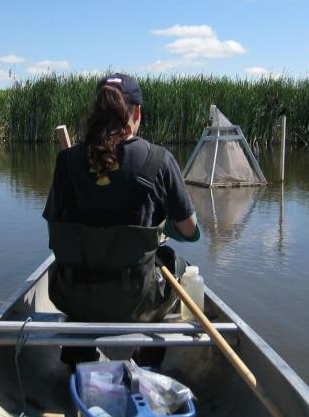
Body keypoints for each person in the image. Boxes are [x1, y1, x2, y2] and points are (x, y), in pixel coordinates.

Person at [43, 73, 200, 363]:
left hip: (75, 295)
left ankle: (79, 356)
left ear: (96, 110)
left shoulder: (67, 162)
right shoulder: (159, 159)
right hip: (136, 300)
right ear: (137, 112)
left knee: (76, 265)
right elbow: (191, 231)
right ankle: (150, 359)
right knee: (177, 264)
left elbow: (55, 226)